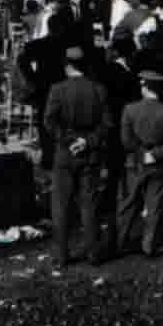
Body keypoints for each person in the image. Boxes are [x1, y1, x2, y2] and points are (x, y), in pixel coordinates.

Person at [44, 46, 113, 267]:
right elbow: (107, 124)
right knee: (89, 205)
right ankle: (93, 252)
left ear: (67, 66)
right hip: (90, 153)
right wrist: (87, 141)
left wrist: (67, 141)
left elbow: (49, 122)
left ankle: (62, 255)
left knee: (61, 206)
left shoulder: (57, 89)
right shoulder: (99, 90)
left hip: (64, 154)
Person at [115, 70, 163, 259]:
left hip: (135, 163)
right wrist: (156, 154)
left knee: (127, 204)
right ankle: (149, 246)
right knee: (155, 205)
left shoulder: (129, 110)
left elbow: (126, 141)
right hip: (159, 165)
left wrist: (142, 153)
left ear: (144, 87)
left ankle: (121, 242)